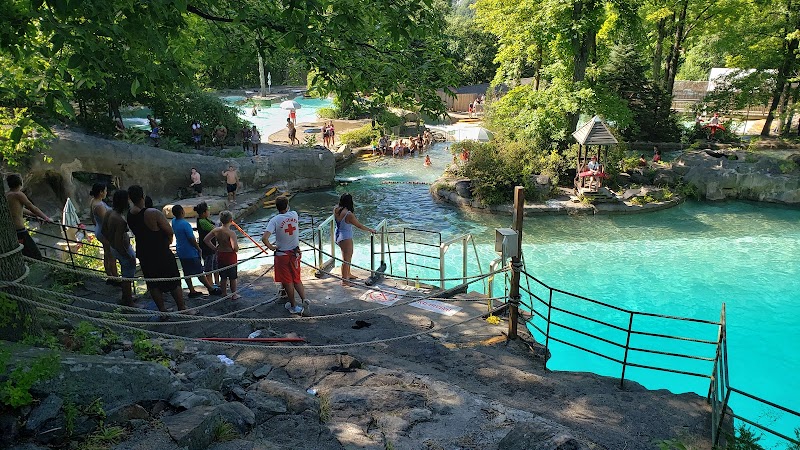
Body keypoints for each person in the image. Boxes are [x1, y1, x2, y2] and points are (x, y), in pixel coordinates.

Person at [127, 185, 187, 313]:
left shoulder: (130, 214)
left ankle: (162, 311)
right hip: (160, 251)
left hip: (144, 252)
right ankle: (182, 308)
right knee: (173, 279)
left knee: (152, 282)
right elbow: (169, 231)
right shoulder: (152, 213)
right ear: (143, 196)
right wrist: (168, 242)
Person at [261, 196, 307, 314]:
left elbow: (264, 238)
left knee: (287, 281)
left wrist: (272, 247)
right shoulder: (294, 215)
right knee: (296, 279)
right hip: (295, 253)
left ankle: (293, 305)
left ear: (276, 207)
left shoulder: (274, 220)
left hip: (282, 255)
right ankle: (304, 300)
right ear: (287, 206)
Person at [172, 205, 217, 298]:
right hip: (189, 251)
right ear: (182, 212)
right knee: (199, 271)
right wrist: (198, 248)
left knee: (186, 272)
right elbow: (191, 238)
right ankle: (210, 288)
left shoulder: (174, 221)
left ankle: (192, 290)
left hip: (180, 250)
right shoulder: (185, 224)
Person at [101, 189, 136, 306]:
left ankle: (126, 296)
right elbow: (118, 242)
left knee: (125, 276)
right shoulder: (120, 220)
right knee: (127, 278)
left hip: (113, 249)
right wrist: (128, 256)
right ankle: (129, 302)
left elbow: (103, 231)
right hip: (122, 250)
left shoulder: (109, 212)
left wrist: (111, 244)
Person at [333, 194, 376, 287]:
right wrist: (370, 230)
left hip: (337, 234)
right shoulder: (348, 214)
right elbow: (359, 225)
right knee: (346, 259)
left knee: (347, 257)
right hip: (345, 237)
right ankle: (344, 281)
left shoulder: (336, 209)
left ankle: (348, 274)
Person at [6, 174, 52, 259]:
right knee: (35, 254)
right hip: (19, 230)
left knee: (23, 252)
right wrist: (46, 218)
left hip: (12, 229)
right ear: (20, 182)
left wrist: (34, 215)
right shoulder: (18, 194)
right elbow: (32, 207)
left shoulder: (7, 195)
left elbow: (19, 210)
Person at [203, 210, 240, 300]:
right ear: (231, 220)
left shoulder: (216, 230)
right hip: (230, 256)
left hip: (220, 254)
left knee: (223, 276)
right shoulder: (231, 233)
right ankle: (234, 294)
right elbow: (234, 247)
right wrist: (236, 248)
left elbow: (206, 240)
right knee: (232, 277)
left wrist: (215, 248)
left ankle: (224, 293)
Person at [89, 183, 119, 283]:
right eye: (105, 190)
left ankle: (109, 275)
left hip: (99, 228)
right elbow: (107, 222)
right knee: (111, 255)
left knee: (107, 253)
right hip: (104, 232)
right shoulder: (99, 206)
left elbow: (92, 218)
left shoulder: (94, 201)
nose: (106, 192)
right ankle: (115, 278)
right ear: (101, 192)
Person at [195, 202, 220, 292]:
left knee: (215, 266)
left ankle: (217, 282)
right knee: (209, 268)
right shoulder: (202, 222)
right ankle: (211, 285)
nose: (209, 211)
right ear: (204, 212)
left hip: (211, 247)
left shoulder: (205, 219)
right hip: (207, 248)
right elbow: (215, 229)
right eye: (208, 210)